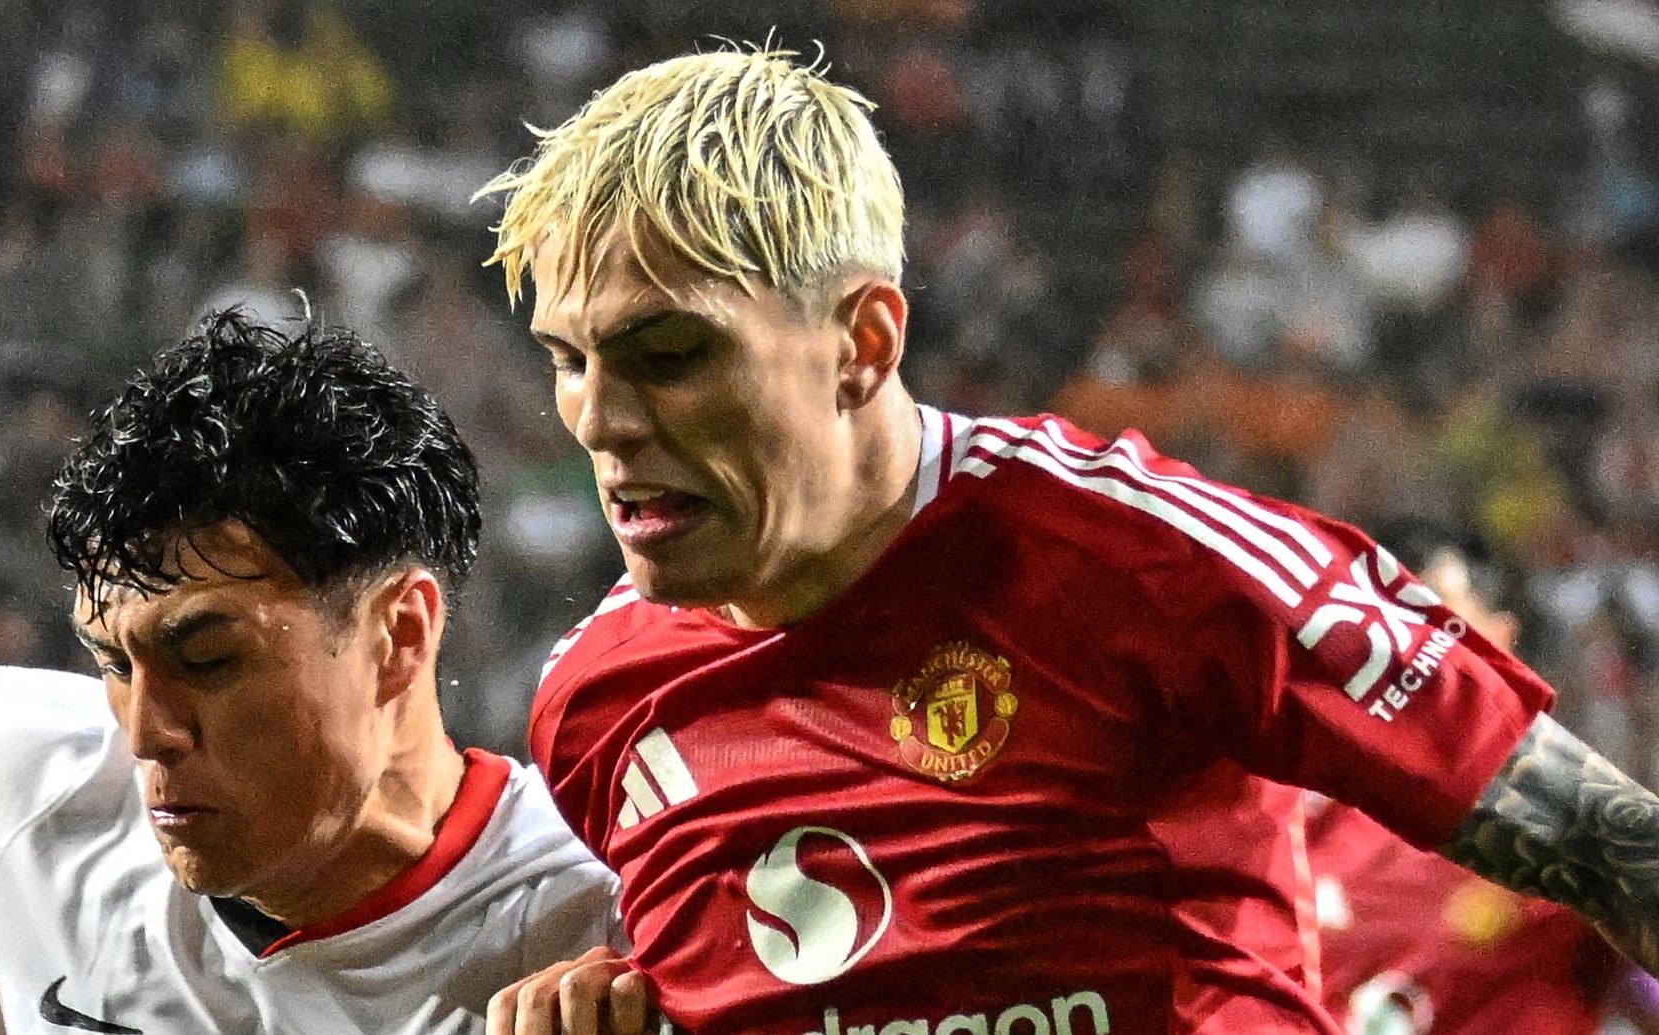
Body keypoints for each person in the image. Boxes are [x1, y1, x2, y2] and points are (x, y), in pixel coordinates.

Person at [473, 47, 1659, 1035]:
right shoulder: (594, 707)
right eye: (569, 360)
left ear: (862, 342)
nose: (600, 420)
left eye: (670, 355)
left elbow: (1612, 850)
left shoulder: (1142, 558)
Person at [0, 310, 623, 1034]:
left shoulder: (605, 924)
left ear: (399, 633)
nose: (146, 733)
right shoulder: (51, 786)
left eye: (207, 658)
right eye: (115, 663)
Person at [1310, 546, 1659, 1035]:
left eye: (1440, 611)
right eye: (1400, 615)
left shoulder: (1557, 812)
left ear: (1502, 633)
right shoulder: (1334, 812)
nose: (1415, 637)